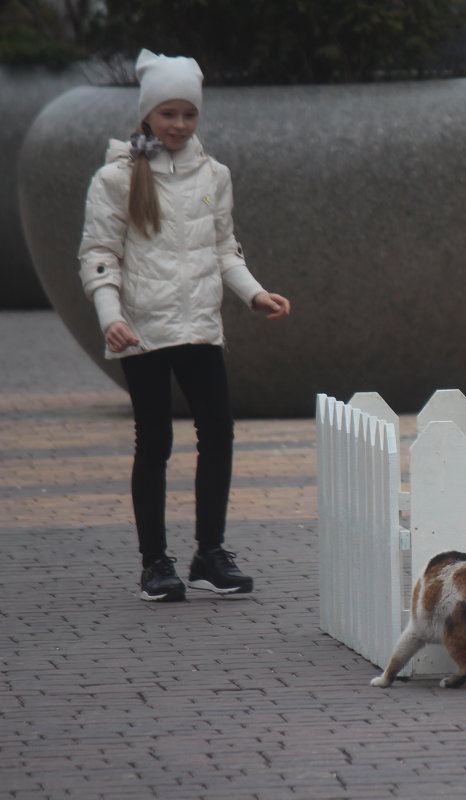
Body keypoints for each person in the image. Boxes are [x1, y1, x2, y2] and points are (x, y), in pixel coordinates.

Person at [78, 49, 291, 602]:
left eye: (188, 115)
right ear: (148, 114)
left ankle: (209, 554)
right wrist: (112, 318)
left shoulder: (213, 174)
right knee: (154, 442)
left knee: (218, 433)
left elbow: (225, 248)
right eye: (168, 114)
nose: (178, 125)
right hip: (142, 331)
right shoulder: (115, 178)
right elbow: (99, 255)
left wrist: (254, 294)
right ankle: (155, 563)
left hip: (200, 325)